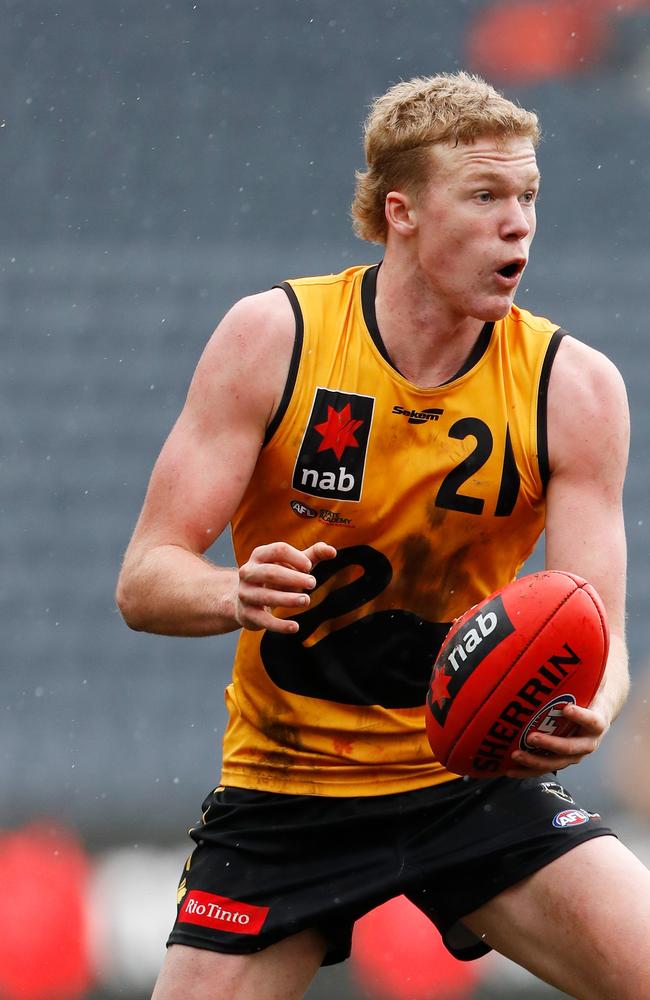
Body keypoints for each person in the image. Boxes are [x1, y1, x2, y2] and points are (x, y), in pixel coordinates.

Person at [116, 72, 650, 1000]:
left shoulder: (574, 388)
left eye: (526, 195)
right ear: (400, 211)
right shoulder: (273, 338)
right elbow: (145, 579)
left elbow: (596, 624)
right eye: (484, 196)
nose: (517, 221)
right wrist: (230, 592)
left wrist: (593, 703)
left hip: (469, 778)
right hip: (286, 788)